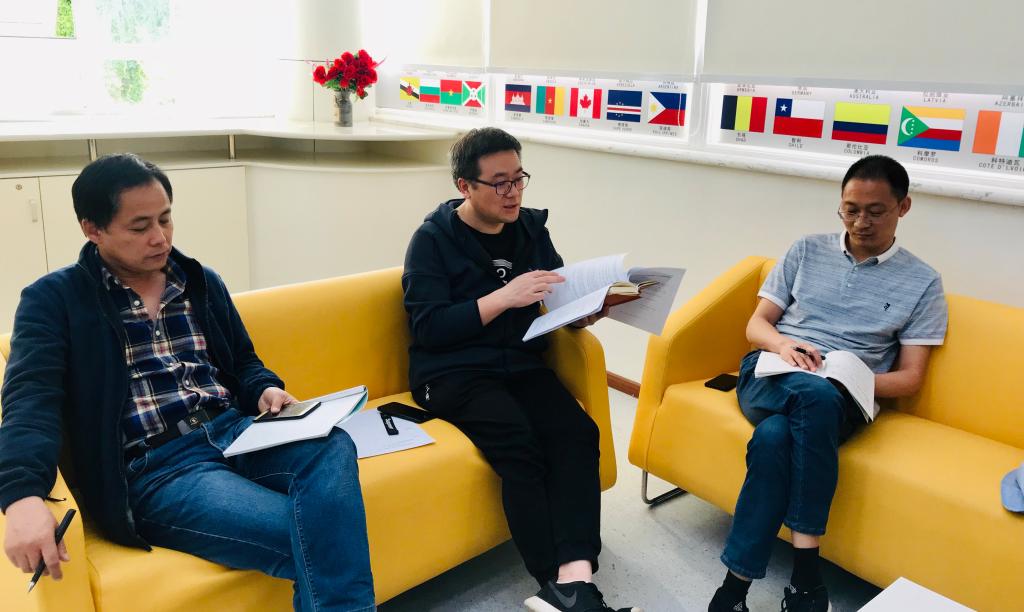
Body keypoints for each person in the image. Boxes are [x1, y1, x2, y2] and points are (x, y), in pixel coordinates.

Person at [0, 154, 375, 612]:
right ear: (92, 229)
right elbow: (29, 402)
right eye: (140, 227)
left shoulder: (199, 281)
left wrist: (264, 389)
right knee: (317, 534)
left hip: (238, 432)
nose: (160, 237)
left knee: (332, 443)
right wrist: (20, 495)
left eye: (165, 218)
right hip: (159, 467)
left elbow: (244, 362)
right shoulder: (53, 300)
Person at [402, 128, 637, 612]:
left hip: (519, 362)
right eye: (499, 183)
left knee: (577, 432)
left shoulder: (531, 229)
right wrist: (502, 298)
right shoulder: (431, 240)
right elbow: (429, 328)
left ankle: (576, 580)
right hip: (450, 371)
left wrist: (585, 311)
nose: (513, 193)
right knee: (518, 442)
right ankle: (552, 580)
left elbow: (556, 294)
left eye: (519, 178)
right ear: (465, 186)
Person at [708, 155, 948, 612]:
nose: (860, 222)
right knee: (812, 394)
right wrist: (783, 346)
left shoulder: (923, 282)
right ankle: (806, 577)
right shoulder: (805, 250)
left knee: (776, 437)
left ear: (903, 207)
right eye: (850, 209)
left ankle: (733, 591)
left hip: (843, 397)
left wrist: (849, 378)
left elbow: (910, 378)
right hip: (771, 374)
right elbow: (757, 326)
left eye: (875, 211)